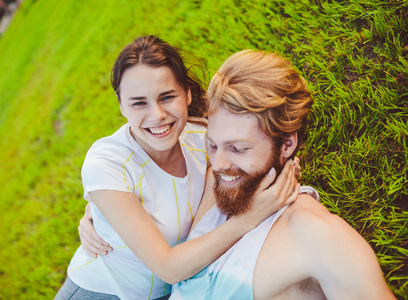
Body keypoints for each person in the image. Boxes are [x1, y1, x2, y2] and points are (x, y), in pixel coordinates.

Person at [82, 50, 395, 299]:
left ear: (286, 145)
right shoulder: (215, 184)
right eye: (213, 145)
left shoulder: (317, 235)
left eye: (238, 149)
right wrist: (101, 212)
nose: (216, 163)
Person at [56, 36, 299, 300]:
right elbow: (168, 269)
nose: (157, 115)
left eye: (167, 97)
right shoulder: (107, 164)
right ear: (121, 105)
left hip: (178, 290)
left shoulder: (204, 138)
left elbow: (253, 158)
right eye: (139, 103)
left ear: (187, 93)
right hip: (102, 293)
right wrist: (250, 217)